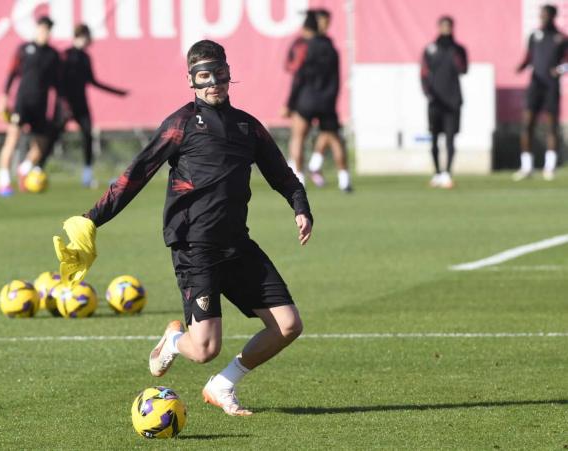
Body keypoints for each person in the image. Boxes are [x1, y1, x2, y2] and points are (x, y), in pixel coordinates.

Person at [53, 40, 313, 416]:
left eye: (219, 74)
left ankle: (223, 385)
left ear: (228, 74)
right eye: (204, 76)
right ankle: (175, 339)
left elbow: (283, 176)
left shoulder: (248, 127)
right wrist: (92, 218)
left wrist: (300, 207)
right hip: (195, 247)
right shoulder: (182, 124)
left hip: (237, 244)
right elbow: (136, 175)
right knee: (205, 349)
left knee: (288, 325)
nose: (213, 83)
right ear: (191, 80)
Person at [40, 24, 128, 188]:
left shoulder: (86, 57)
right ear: (82, 36)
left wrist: (117, 92)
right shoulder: (65, 56)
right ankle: (38, 169)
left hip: (81, 104)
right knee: (53, 137)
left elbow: (92, 81)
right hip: (65, 105)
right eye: (88, 36)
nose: (90, 40)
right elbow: (58, 82)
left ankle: (87, 174)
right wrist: (64, 103)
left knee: (88, 135)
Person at [282, 11, 352, 192]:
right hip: (327, 100)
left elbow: (298, 77)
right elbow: (337, 77)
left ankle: (299, 179)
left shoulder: (303, 47)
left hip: (306, 99)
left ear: (306, 28)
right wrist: (332, 99)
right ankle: (345, 180)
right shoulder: (331, 48)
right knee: (335, 139)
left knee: (298, 138)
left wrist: (290, 104)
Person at [0, 16, 61, 196]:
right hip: (22, 102)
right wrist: (4, 97)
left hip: (40, 104)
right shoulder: (24, 49)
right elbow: (11, 73)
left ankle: (24, 170)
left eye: (48, 29)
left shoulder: (53, 55)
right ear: (37, 29)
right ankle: (4, 181)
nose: (45, 32)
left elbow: (57, 84)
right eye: (42, 28)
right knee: (12, 140)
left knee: (41, 145)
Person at [514, 4, 567, 181]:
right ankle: (526, 167)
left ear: (553, 16)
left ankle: (549, 167)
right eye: (541, 14)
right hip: (535, 85)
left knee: (551, 126)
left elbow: (567, 63)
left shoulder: (561, 38)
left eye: (545, 14)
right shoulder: (534, 36)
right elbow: (528, 57)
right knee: (527, 124)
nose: (542, 17)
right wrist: (520, 67)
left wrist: (559, 70)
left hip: (551, 87)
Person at [420, 16, 468, 189]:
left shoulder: (458, 49)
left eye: (449, 26)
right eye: (443, 26)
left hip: (453, 100)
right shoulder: (431, 49)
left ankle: (447, 173)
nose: (446, 29)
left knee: (450, 139)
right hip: (435, 101)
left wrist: (454, 51)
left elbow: (463, 69)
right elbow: (424, 73)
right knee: (433, 139)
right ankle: (436, 173)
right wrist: (428, 94)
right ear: (439, 27)